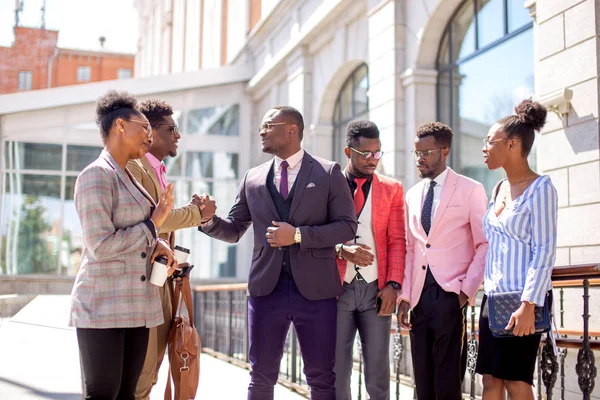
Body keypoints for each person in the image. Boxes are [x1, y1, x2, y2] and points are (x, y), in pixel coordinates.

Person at [199, 106, 357, 400]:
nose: (261, 131)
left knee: (322, 378)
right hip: (265, 290)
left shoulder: (327, 171)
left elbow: (347, 227)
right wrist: (208, 219)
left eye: (268, 125)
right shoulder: (253, 177)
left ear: (292, 130)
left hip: (316, 291)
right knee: (260, 376)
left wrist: (297, 235)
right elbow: (235, 229)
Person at [69, 90, 178, 400]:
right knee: (103, 394)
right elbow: (100, 245)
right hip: (102, 307)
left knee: (128, 395)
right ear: (119, 125)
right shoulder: (96, 176)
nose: (149, 135)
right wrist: (152, 225)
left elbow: (137, 234)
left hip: (137, 306)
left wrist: (158, 245)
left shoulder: (129, 176)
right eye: (143, 127)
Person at [127, 99, 216, 400]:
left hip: (163, 280)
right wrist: (197, 213)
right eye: (172, 129)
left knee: (152, 373)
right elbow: (154, 218)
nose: (178, 135)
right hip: (143, 286)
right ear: (150, 132)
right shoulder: (135, 167)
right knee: (141, 375)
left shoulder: (158, 169)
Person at [397, 122, 488, 400]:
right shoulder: (412, 194)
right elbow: (412, 249)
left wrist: (465, 291)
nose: (420, 158)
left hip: (450, 294)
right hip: (419, 299)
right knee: (421, 381)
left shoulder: (470, 189)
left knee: (448, 380)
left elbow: (484, 243)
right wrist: (405, 296)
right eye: (416, 152)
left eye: (426, 152)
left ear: (445, 151)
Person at [477, 100, 557, 399]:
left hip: (522, 302)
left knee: (516, 381)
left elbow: (545, 249)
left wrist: (529, 304)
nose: (484, 147)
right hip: (492, 300)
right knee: (490, 381)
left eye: (490, 141)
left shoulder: (541, 188)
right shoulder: (497, 188)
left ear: (512, 144)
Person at [334, 120, 406, 400]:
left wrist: (393, 284)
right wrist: (341, 248)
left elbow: (398, 240)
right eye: (365, 153)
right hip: (336, 289)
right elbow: (316, 236)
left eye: (377, 153)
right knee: (337, 372)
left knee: (378, 373)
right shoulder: (328, 185)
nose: (372, 159)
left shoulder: (392, 189)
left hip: (377, 290)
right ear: (348, 151)